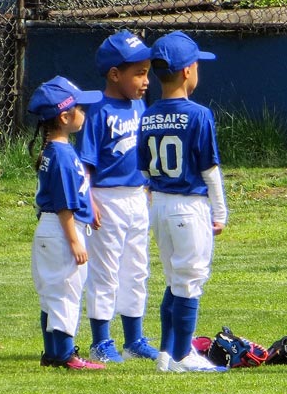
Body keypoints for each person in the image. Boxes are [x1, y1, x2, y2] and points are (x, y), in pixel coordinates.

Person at [137, 31, 228, 373]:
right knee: (190, 280)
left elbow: (144, 169)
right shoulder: (199, 114)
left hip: (159, 204)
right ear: (188, 70)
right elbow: (210, 169)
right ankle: (182, 356)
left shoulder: (147, 115)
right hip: (189, 206)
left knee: (175, 279)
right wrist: (220, 212)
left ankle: (165, 353)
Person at [75, 31, 159, 363]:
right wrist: (88, 201)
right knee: (106, 270)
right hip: (106, 199)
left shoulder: (140, 104)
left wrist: (149, 184)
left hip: (137, 196)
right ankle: (101, 340)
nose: (146, 81)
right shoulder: (98, 109)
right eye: (138, 73)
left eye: (147, 72)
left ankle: (134, 338)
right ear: (114, 74)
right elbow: (86, 163)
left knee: (137, 269)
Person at [27, 76, 105, 370]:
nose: (84, 114)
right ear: (64, 116)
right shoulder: (61, 153)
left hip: (49, 231)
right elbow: (64, 202)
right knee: (65, 294)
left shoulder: (54, 150)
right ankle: (64, 355)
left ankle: (52, 353)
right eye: (80, 108)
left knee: (52, 294)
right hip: (61, 231)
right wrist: (74, 240)